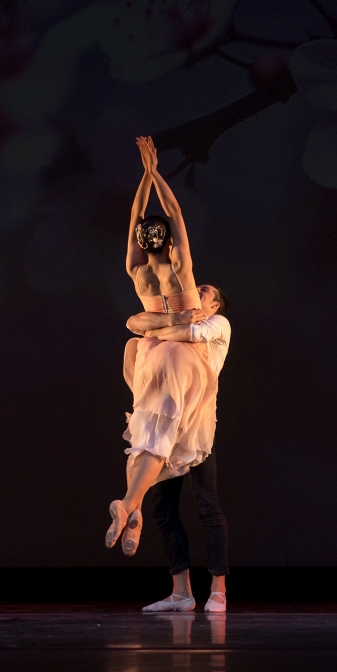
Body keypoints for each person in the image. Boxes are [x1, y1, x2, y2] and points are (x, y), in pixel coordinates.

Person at [105, 136, 216, 564]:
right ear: (169, 243)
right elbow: (175, 213)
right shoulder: (181, 267)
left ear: (140, 244)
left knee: (145, 434)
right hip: (179, 357)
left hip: (148, 355)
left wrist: (143, 178)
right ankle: (127, 507)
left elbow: (136, 216)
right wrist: (155, 172)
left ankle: (132, 512)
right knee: (161, 437)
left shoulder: (136, 270)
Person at [126, 284, 231, 613]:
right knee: (164, 509)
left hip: (196, 428)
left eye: (205, 291)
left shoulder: (218, 324)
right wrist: (168, 321)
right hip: (166, 422)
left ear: (214, 306)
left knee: (207, 505)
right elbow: (133, 324)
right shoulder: (179, 317)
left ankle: (218, 590)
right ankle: (181, 593)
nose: (197, 290)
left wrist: (159, 328)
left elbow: (188, 335)